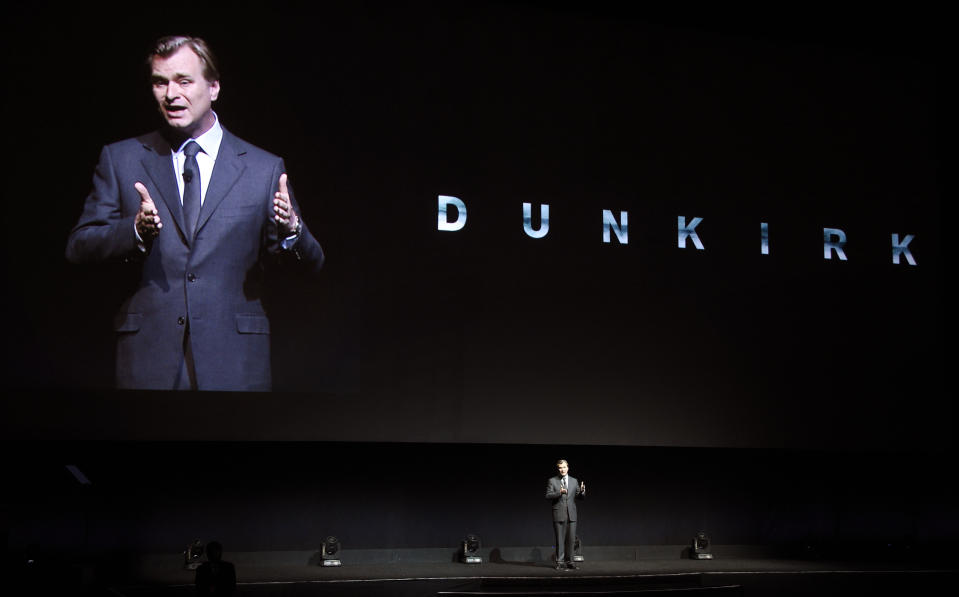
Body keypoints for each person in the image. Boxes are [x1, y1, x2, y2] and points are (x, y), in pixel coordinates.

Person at [65, 35, 324, 391]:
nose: (171, 94)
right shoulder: (122, 159)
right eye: (160, 82)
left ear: (214, 87)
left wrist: (292, 230)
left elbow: (312, 266)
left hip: (233, 362)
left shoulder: (263, 169)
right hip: (149, 361)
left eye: (184, 81)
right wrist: (135, 232)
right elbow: (79, 247)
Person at [545, 459, 585, 570]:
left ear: (568, 467)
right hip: (559, 514)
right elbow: (548, 495)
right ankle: (560, 562)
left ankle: (570, 562)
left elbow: (579, 496)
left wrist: (582, 491)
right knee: (560, 540)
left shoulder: (574, 481)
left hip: (571, 514)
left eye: (564, 467)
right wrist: (559, 492)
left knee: (571, 540)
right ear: (558, 469)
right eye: (560, 467)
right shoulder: (552, 481)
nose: (562, 469)